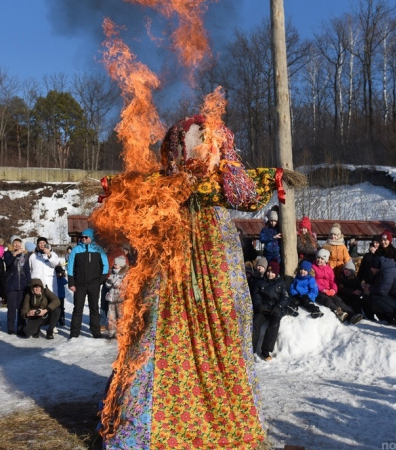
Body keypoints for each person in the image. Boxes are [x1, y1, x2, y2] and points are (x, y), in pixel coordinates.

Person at [93, 116, 280, 447]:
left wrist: (270, 177)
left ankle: (221, 414)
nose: (200, 150)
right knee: (157, 328)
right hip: (171, 258)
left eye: (205, 144)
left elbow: (249, 193)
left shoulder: (222, 181)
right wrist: (117, 188)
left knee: (222, 324)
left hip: (215, 260)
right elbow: (135, 190)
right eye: (193, 143)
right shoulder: (164, 183)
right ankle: (147, 422)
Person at [67, 228, 108, 339]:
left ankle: (96, 332)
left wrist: (100, 280)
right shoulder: (76, 250)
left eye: (86, 237)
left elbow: (105, 266)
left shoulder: (99, 250)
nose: (83, 239)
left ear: (91, 238)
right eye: (82, 237)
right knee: (77, 308)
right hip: (79, 284)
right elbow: (70, 267)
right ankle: (74, 334)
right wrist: (71, 283)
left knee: (94, 308)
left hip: (94, 284)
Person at [362, 256, 396, 325]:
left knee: (375, 297)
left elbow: (382, 291)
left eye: (371, 267)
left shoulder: (388, 272)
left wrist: (370, 288)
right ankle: (390, 319)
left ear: (375, 267)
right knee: (374, 296)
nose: (370, 269)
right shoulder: (387, 269)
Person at [251, 261, 290, 361]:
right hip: (263, 308)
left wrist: (278, 307)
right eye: (268, 272)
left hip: (275, 308)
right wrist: (258, 305)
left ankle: (265, 351)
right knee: (255, 323)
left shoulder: (281, 283)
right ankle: (251, 349)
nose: (270, 274)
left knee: (274, 324)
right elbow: (256, 295)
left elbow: (285, 297)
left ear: (276, 273)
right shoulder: (260, 282)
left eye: (272, 272)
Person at [313, 249, 362, 324]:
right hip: (318, 292)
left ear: (326, 260)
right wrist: (323, 290)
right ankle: (339, 314)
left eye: (322, 258)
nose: (319, 260)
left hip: (329, 290)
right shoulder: (313, 268)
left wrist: (333, 290)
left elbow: (333, 281)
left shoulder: (329, 269)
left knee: (338, 300)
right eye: (318, 258)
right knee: (327, 300)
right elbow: (313, 282)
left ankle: (352, 315)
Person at [4, 237, 31, 336]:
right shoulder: (7, 254)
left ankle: (21, 327)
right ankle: (10, 327)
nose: (17, 245)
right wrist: (14, 254)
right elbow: (8, 263)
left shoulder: (25, 255)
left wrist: (29, 282)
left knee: (21, 307)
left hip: (22, 285)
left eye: (18, 243)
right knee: (11, 307)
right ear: (11, 244)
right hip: (11, 284)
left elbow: (27, 270)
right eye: (15, 243)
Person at [103, 255, 128, 339]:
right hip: (111, 298)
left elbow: (122, 285)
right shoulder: (112, 273)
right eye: (114, 264)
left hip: (120, 298)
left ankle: (121, 332)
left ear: (121, 265)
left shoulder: (125, 275)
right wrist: (109, 282)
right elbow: (107, 285)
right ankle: (111, 332)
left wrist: (114, 282)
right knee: (111, 316)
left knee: (120, 316)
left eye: (116, 264)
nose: (114, 265)